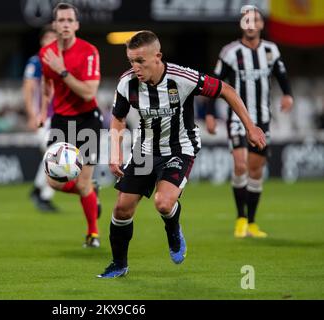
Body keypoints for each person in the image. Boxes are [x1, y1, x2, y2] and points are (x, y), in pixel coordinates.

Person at [98, 30, 266, 278]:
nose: (135, 67)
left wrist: (250, 127)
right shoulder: (127, 83)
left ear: (158, 57)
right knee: (122, 209)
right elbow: (118, 119)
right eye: (131, 61)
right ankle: (119, 264)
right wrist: (114, 153)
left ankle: (173, 229)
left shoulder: (182, 78)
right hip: (144, 151)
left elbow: (227, 90)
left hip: (180, 148)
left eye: (140, 61)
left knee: (163, 203)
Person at [205, 6, 293, 238]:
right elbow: (215, 83)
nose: (251, 24)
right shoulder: (230, 52)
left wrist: (287, 94)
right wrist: (211, 113)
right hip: (236, 119)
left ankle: (252, 222)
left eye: (255, 20)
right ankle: (241, 218)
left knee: (255, 171)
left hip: (263, 119)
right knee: (241, 165)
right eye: (247, 20)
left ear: (262, 25)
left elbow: (282, 75)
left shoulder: (270, 50)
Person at [39, 2, 102, 248]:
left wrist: (63, 71)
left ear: (76, 25)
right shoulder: (47, 54)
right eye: (60, 20)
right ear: (54, 25)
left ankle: (93, 234)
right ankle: (90, 192)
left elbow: (88, 93)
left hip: (87, 119)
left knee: (83, 182)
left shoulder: (89, 52)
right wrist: (41, 111)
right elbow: (46, 84)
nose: (65, 24)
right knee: (52, 182)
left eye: (69, 20)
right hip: (61, 121)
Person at [23, 25, 59, 212]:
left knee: (52, 154)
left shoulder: (62, 61)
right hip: (44, 117)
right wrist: (31, 115)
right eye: (48, 38)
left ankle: (39, 191)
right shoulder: (36, 62)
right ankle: (42, 194)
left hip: (61, 115)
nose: (52, 42)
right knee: (54, 154)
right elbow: (28, 89)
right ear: (42, 41)